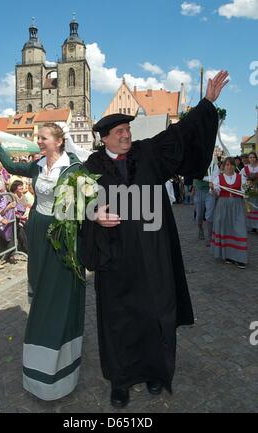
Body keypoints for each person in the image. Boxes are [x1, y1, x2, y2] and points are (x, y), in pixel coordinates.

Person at [81, 70, 229, 408]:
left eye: (128, 130)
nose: (126, 135)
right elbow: (72, 206)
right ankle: (119, 381)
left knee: (155, 313)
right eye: (119, 132)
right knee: (118, 320)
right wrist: (94, 214)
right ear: (104, 137)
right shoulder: (90, 168)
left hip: (153, 253)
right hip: (115, 260)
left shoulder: (147, 153)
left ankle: (154, 373)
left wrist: (206, 103)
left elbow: (181, 133)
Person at [0, 123, 85, 401]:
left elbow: (82, 206)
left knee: (59, 289)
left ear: (58, 141)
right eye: (38, 138)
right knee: (41, 284)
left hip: (61, 234)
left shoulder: (74, 168)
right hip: (37, 229)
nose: (38, 142)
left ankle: (59, 346)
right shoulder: (37, 165)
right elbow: (11, 166)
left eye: (42, 138)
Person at [210, 157, 247, 269]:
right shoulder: (218, 178)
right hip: (223, 205)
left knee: (240, 230)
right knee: (225, 229)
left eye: (231, 164)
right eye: (227, 165)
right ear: (223, 166)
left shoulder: (241, 177)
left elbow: (244, 191)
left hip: (237, 206)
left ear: (234, 166)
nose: (229, 167)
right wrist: (212, 189)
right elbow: (216, 194)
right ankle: (228, 256)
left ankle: (240, 258)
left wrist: (247, 191)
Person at [240, 151, 258, 232]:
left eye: (253, 157)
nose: (252, 159)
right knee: (249, 208)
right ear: (248, 159)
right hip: (249, 191)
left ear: (256, 158)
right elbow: (242, 180)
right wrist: (246, 188)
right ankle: (250, 226)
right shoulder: (245, 169)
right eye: (250, 157)